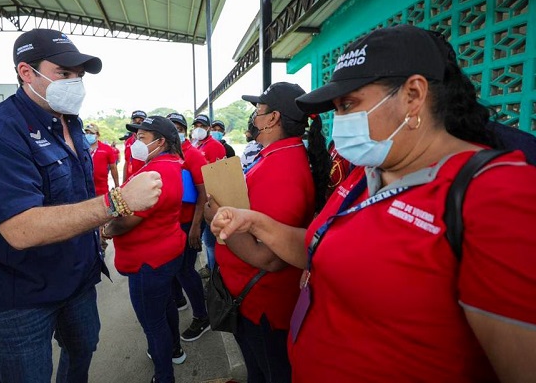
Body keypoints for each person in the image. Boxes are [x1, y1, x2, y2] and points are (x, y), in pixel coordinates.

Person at [211, 25, 536, 382]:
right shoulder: (368, 171)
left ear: (413, 95)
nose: (342, 121)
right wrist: (254, 222)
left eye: (349, 105)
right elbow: (318, 250)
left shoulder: (496, 194)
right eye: (337, 108)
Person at [0, 28, 163, 383]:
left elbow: (71, 198)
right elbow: (21, 228)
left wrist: (99, 233)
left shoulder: (69, 124)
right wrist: (117, 201)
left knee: (82, 353)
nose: (74, 83)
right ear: (26, 72)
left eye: (78, 76)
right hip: (18, 295)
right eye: (63, 74)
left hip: (75, 279)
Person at [206, 82, 331, 383]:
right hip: (253, 299)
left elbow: (269, 257)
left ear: (273, 118)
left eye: (258, 111)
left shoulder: (283, 168)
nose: (254, 118)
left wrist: (218, 218)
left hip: (264, 307)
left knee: (269, 373)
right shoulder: (273, 156)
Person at [101, 116, 186, 383]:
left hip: (147, 261)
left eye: (142, 138)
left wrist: (106, 230)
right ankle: (174, 349)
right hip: (166, 251)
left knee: (153, 323)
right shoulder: (169, 165)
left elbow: (127, 220)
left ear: (161, 142)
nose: (135, 143)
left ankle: (164, 376)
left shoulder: (154, 174)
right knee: (165, 305)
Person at [166, 112, 211, 342]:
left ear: (183, 130)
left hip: (189, 223)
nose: (173, 130)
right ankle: (180, 301)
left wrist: (195, 227)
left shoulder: (193, 155)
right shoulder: (166, 155)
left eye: (177, 126)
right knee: (175, 269)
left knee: (185, 269)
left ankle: (202, 316)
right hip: (171, 223)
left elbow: (204, 194)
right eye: (169, 126)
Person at [191, 114, 226, 276]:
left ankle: (214, 277)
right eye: (196, 125)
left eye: (202, 126)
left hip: (211, 198)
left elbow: (219, 174)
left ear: (208, 128)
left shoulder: (214, 145)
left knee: (211, 243)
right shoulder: (197, 144)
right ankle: (211, 269)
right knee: (207, 241)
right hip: (200, 198)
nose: (199, 129)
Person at [85, 123, 120, 196]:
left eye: (91, 133)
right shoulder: (81, 149)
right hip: (85, 189)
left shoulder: (107, 149)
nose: (88, 135)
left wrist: (117, 185)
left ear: (97, 135)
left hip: (102, 189)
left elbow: (113, 168)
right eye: (87, 133)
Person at [123, 110, 148, 182]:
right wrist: (123, 183)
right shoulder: (128, 141)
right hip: (130, 180)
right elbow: (126, 162)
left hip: (144, 181)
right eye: (135, 120)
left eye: (141, 120)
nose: (137, 123)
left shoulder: (150, 140)